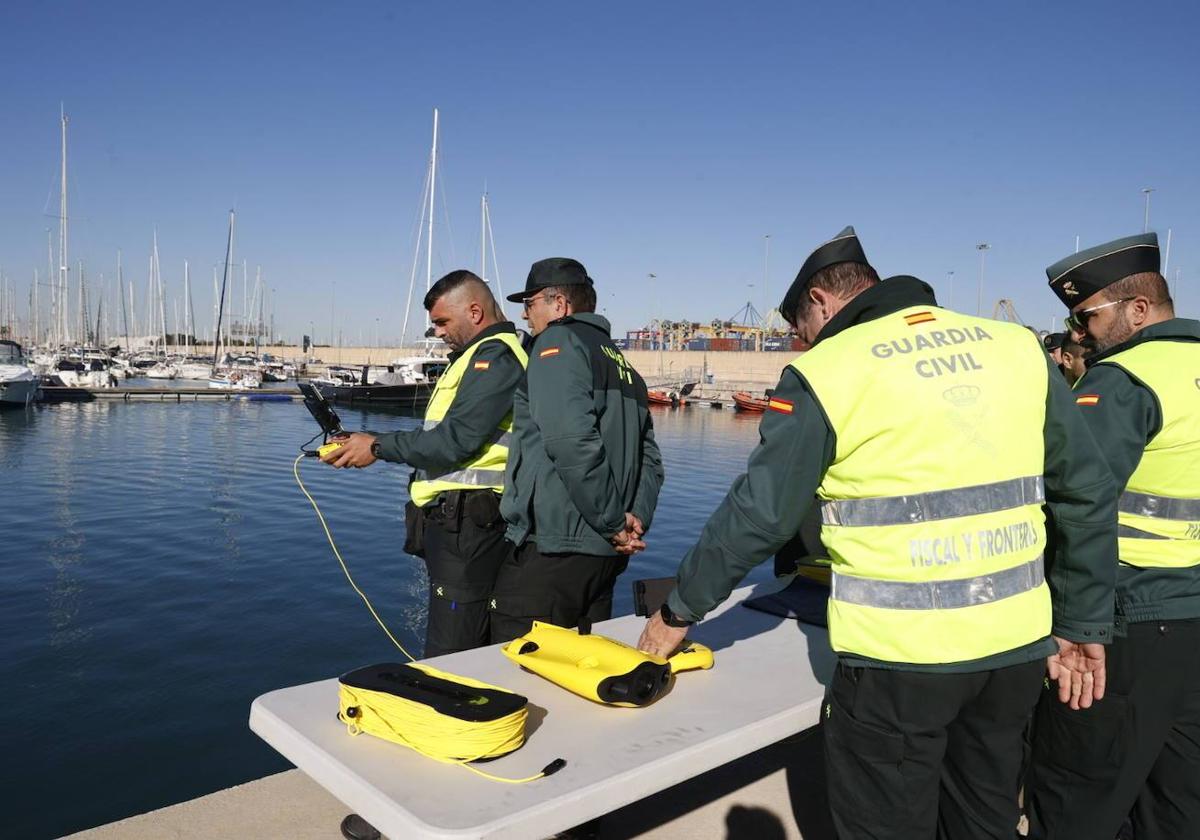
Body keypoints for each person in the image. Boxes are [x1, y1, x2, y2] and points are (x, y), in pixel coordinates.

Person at [636, 226, 1118, 840]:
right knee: (984, 819)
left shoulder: (830, 371)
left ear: (821, 300)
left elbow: (758, 514)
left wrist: (679, 610)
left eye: (799, 330)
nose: (801, 343)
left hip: (898, 663)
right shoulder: (1015, 348)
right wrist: (1081, 622)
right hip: (1015, 652)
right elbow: (1087, 490)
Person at [1024, 232, 1200, 840]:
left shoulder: (1125, 380)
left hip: (1126, 626)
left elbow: (1075, 504)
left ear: (1139, 309)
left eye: (1085, 316)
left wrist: (1076, 628)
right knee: (1179, 804)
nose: (1077, 333)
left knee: (1076, 798)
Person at [324, 270, 527, 658]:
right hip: (460, 523)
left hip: (471, 525)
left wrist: (378, 446)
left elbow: (456, 441)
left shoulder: (496, 357)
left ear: (475, 311)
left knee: (453, 651)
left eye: (442, 322)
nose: (436, 332)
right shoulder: (473, 358)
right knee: (456, 642)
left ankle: (452, 713)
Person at [490, 257, 664, 642]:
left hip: (554, 548)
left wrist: (613, 523)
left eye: (531, 302)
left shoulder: (556, 342)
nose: (524, 313)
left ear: (559, 305)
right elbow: (649, 458)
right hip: (603, 555)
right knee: (580, 664)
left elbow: (572, 442)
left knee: (519, 663)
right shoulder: (623, 365)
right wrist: (634, 518)